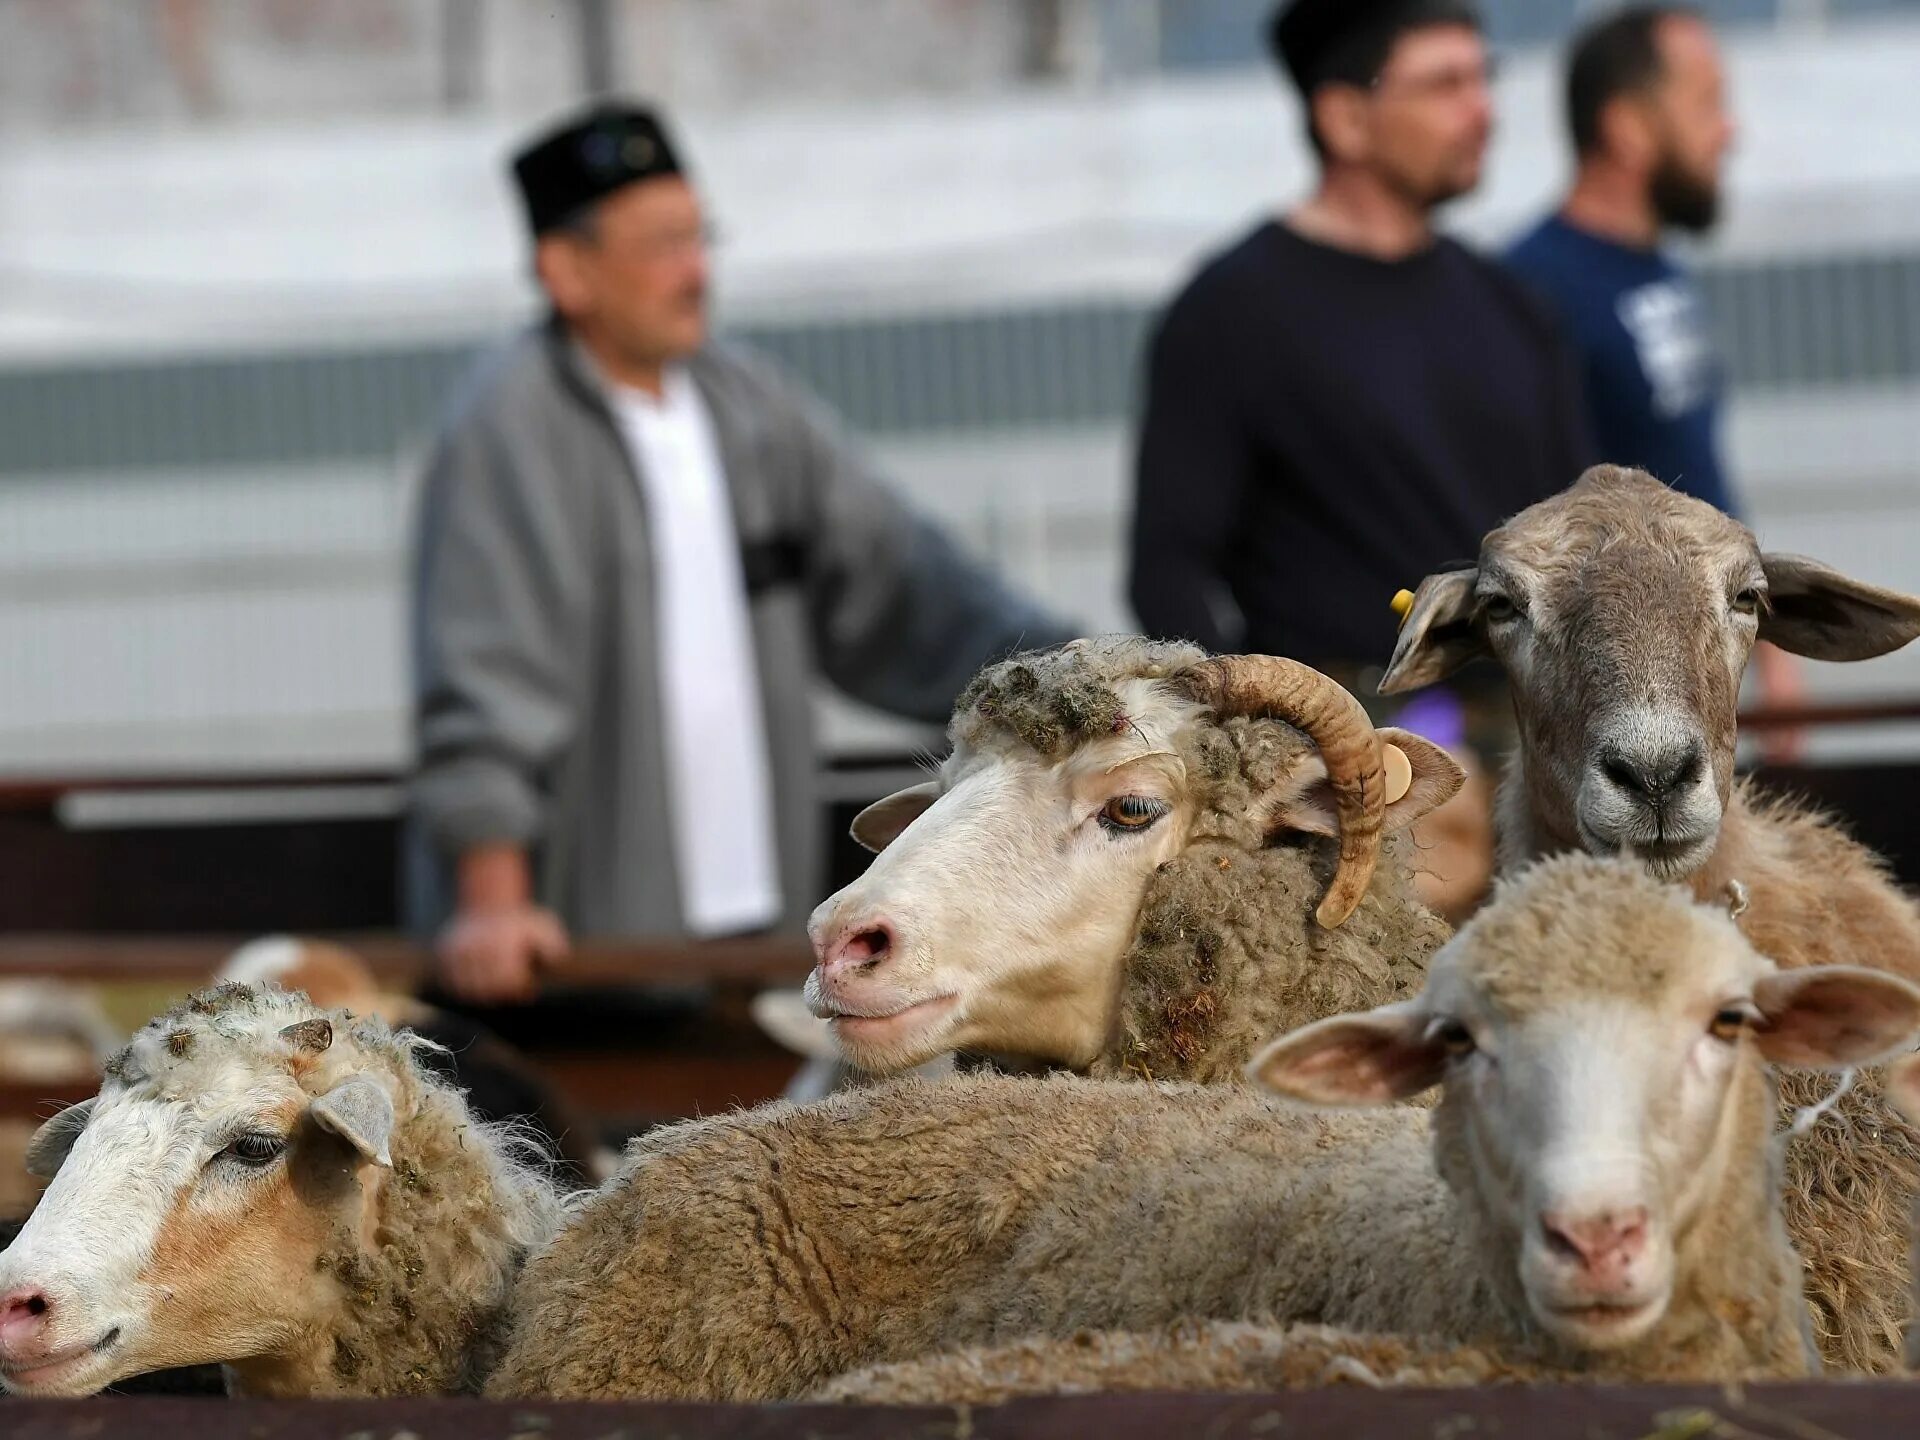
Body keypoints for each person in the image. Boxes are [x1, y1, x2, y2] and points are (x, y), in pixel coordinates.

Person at [407, 101, 1073, 1005]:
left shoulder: (748, 405)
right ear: (566, 271)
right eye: (660, 246)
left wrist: (1067, 685)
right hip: (584, 950)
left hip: (759, 931)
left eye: (699, 238)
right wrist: (492, 901)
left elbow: (902, 578)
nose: (694, 272)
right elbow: (486, 682)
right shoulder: (509, 425)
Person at [1129, 0, 1593, 677]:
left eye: (1482, 76)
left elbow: (1580, 533)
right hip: (1345, 751)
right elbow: (1168, 570)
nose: (1483, 110)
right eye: (1444, 85)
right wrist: (1251, 733)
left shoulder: (1514, 307)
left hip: (1532, 736)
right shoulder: (1232, 314)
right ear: (1344, 119)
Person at [1504, 5, 1802, 742]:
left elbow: (1694, 468)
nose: (1728, 130)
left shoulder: (1658, 268)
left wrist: (1768, 648)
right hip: (1621, 707)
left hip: (1700, 669)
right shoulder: (1531, 292)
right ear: (1628, 128)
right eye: (1705, 102)